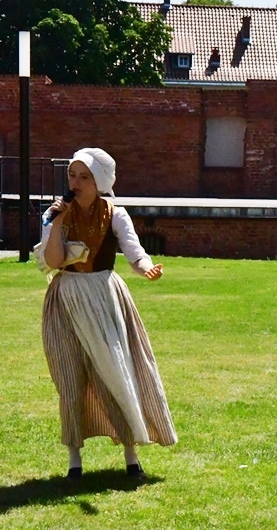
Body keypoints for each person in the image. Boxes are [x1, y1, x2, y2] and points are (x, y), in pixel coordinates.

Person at [36, 148, 177, 480]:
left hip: (103, 296)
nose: (76, 182)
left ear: (99, 181)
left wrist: (145, 270)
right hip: (66, 298)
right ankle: (74, 461)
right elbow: (54, 261)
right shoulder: (55, 214)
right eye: (72, 175)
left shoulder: (115, 214)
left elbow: (134, 251)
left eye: (84, 177)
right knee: (70, 377)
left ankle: (131, 456)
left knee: (116, 370)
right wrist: (56, 223)